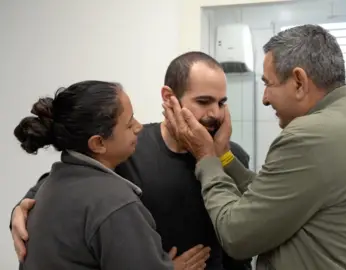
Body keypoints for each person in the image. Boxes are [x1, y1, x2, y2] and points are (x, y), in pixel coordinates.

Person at [163, 25, 346, 269]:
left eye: (268, 84)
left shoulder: (310, 136)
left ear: (299, 81)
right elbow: (279, 199)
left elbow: (236, 236)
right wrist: (224, 157)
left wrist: (206, 158)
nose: (264, 98)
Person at [10, 53, 252, 270]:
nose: (215, 114)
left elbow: (240, 243)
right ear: (169, 97)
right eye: (203, 102)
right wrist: (20, 209)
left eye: (221, 103)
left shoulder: (232, 158)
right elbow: (69, 181)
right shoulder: (127, 149)